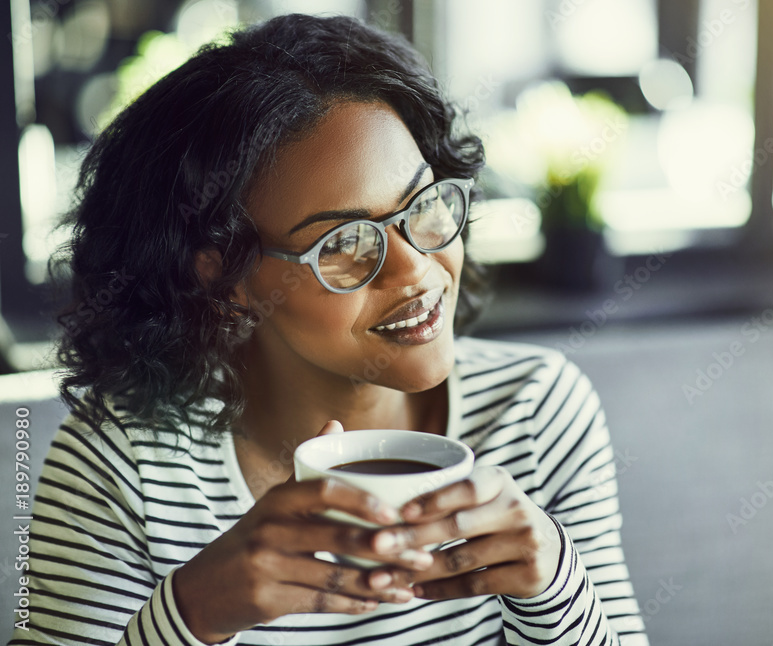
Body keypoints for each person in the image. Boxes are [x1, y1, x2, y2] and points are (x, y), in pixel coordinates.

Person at [12, 13, 648, 646]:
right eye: (344, 242)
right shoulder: (122, 462)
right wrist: (192, 614)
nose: (415, 268)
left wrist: (556, 588)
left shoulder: (538, 412)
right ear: (223, 279)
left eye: (422, 204)